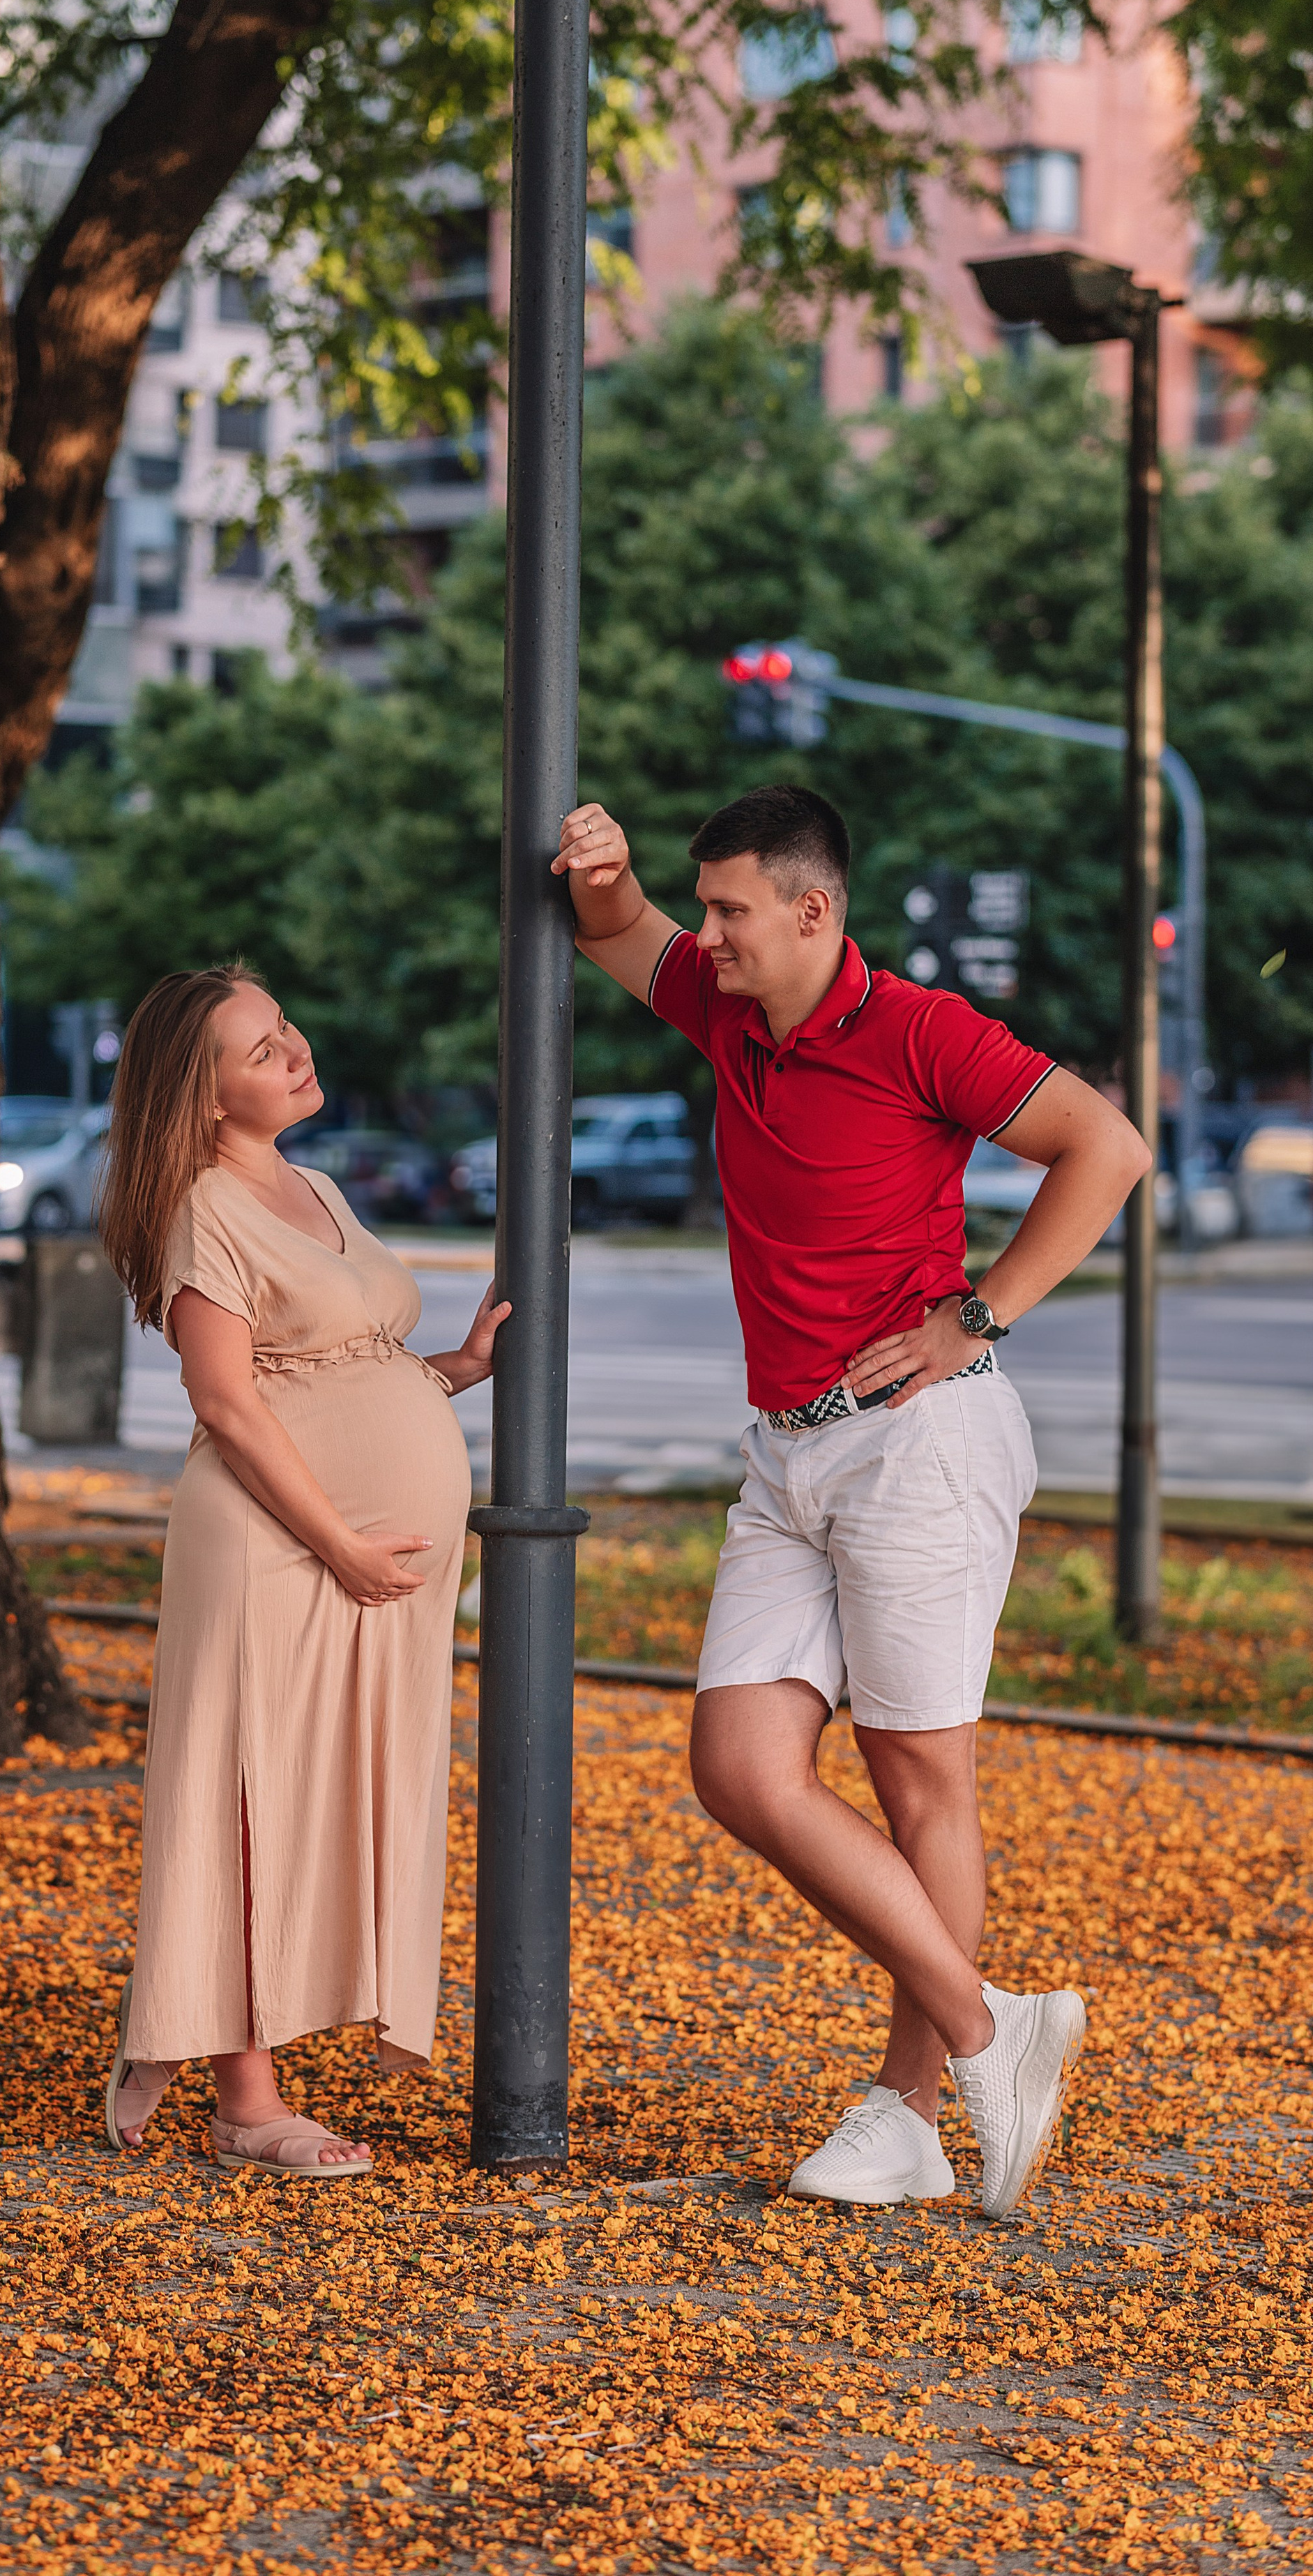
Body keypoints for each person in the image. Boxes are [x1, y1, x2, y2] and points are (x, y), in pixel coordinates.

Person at [555, 785, 1149, 2218]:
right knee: (741, 1767)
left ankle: (906, 2111)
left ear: (811, 911)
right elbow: (614, 932)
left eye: (730, 910)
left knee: (914, 1776)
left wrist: (978, 1313)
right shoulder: (723, 1005)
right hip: (784, 1452)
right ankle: (985, 2027)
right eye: (706, 909)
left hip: (916, 1442)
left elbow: (1105, 1149)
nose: (706, 936)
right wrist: (604, 874)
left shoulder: (919, 1031)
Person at [96, 963, 508, 2178]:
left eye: (285, 1031)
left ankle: (205, 2047)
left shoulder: (314, 1184)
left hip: (360, 1558)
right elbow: (225, 1395)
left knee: (323, 1790)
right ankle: (243, 2099)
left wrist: (456, 1367)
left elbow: (334, 1364)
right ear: (205, 1092)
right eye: (261, 1047)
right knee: (249, 1797)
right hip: (277, 1550)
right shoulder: (198, 1209)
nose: (295, 1051)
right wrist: (339, 1543)